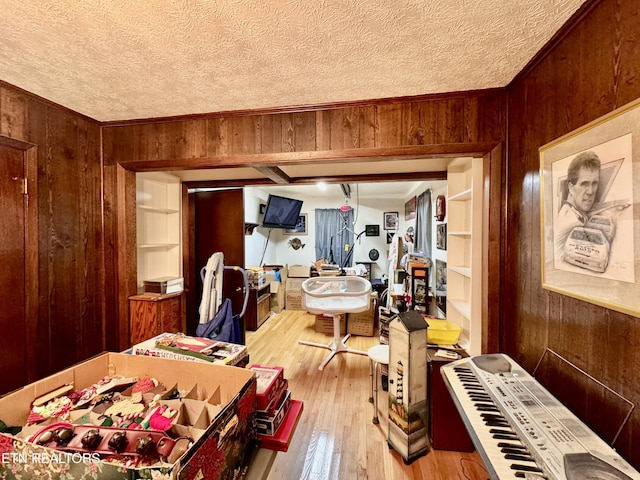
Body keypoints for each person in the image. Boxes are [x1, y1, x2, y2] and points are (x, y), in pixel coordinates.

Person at [554, 151, 601, 261]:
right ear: (571, 188)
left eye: (594, 183)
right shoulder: (571, 221)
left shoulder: (571, 211)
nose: (590, 191)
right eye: (584, 184)